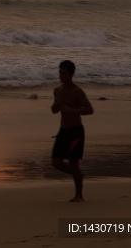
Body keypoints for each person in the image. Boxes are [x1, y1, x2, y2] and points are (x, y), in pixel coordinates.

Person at [51, 59, 93, 202]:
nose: (61, 76)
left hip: (76, 131)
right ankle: (78, 174)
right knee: (56, 161)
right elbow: (54, 111)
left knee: (73, 162)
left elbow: (89, 110)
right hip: (63, 130)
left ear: (71, 74)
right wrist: (55, 106)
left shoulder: (77, 91)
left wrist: (72, 110)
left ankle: (79, 195)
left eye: (63, 73)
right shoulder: (57, 90)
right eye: (59, 73)